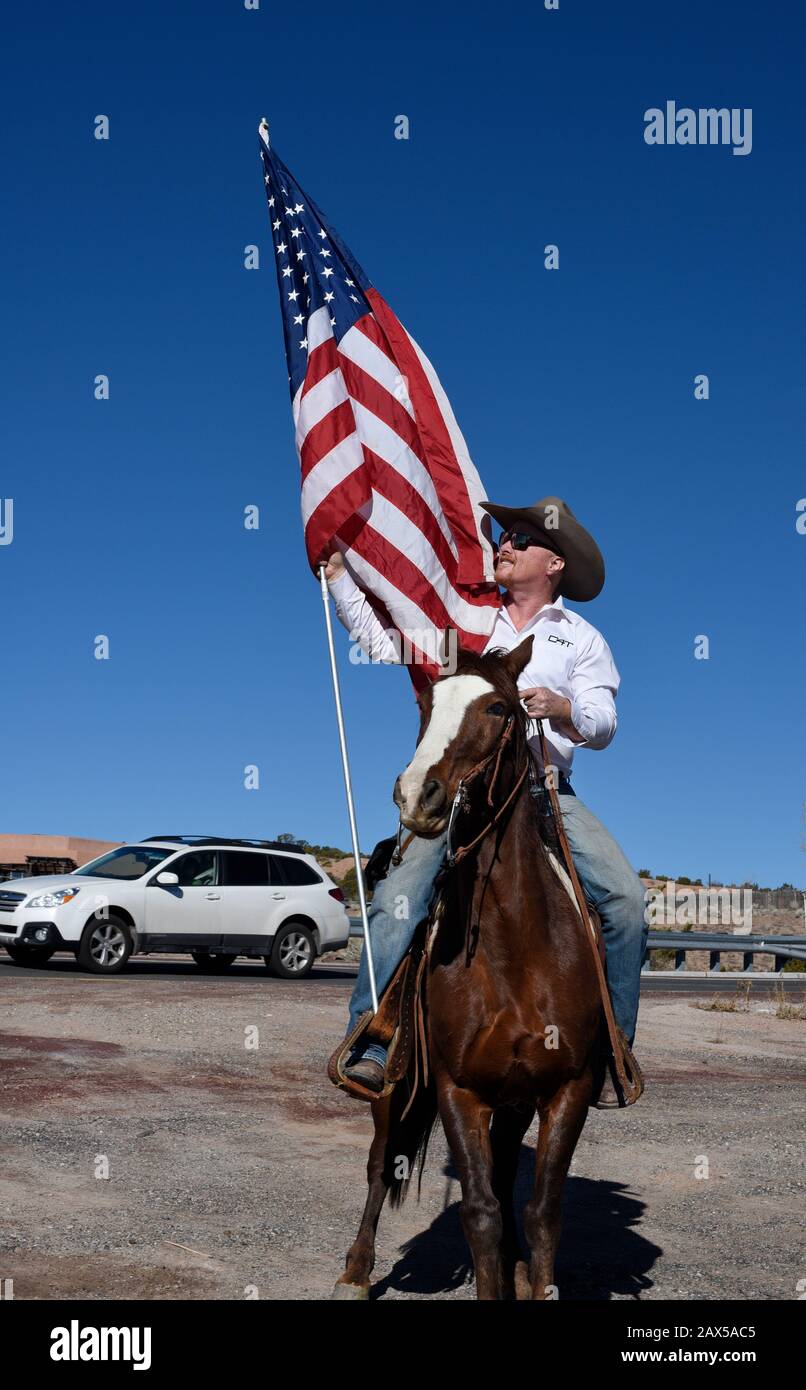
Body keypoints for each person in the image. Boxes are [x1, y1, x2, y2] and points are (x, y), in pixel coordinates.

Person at [323, 497, 647, 1107]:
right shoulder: (471, 625)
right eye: (503, 536)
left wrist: (563, 708)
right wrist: (340, 576)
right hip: (462, 797)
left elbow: (604, 724)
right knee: (396, 899)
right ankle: (372, 1037)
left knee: (627, 902)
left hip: (544, 791)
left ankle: (611, 1050)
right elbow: (382, 640)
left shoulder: (579, 638)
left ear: (554, 562)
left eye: (520, 540)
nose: (503, 544)